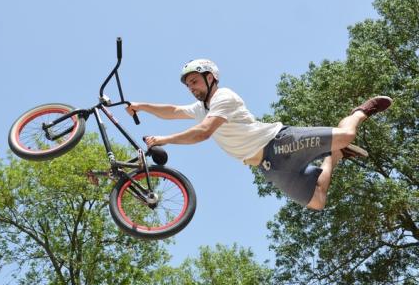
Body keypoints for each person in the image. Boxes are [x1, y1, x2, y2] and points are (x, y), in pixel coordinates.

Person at [126, 59, 392, 210]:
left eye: (194, 82)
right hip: (269, 167)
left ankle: (360, 111)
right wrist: (140, 106)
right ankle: (334, 155)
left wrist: (165, 139)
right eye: (188, 86)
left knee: (346, 133)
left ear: (210, 78)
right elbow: (172, 110)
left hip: (279, 142)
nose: (191, 89)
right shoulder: (201, 107)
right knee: (317, 203)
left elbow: (204, 133)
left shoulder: (224, 97)